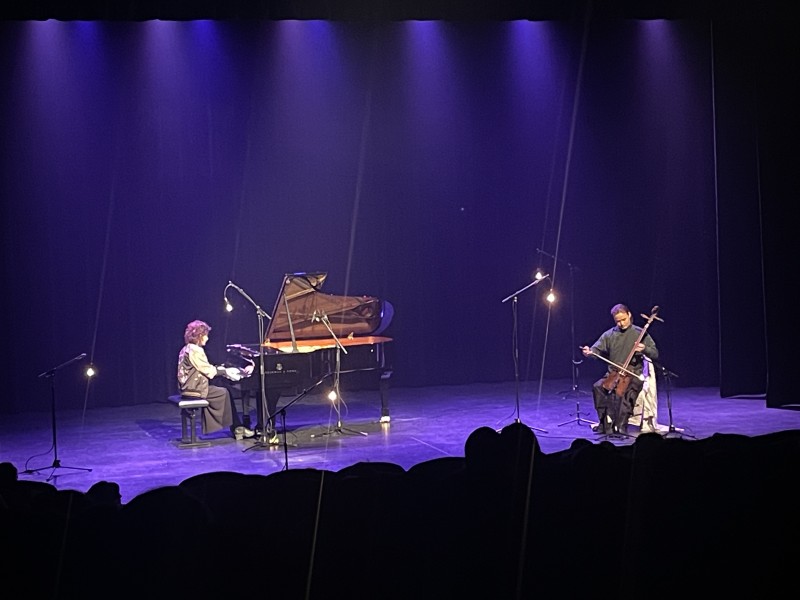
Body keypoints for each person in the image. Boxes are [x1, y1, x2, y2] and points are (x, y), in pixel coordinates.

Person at [580, 303, 659, 435]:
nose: (621, 323)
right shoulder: (610, 334)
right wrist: (589, 352)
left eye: (624, 320)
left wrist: (644, 349)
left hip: (633, 373)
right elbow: (596, 350)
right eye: (618, 321)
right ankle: (604, 422)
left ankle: (621, 425)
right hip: (613, 373)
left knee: (625, 391)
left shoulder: (640, 333)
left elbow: (655, 353)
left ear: (629, 315)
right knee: (598, 387)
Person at [177, 319, 255, 440]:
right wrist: (224, 371)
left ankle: (237, 427)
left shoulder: (187, 348)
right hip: (193, 389)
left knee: (224, 390)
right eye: (206, 336)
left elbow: (204, 368)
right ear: (199, 336)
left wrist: (221, 370)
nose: (207, 339)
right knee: (224, 392)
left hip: (188, 387)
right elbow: (207, 370)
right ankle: (236, 428)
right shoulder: (195, 350)